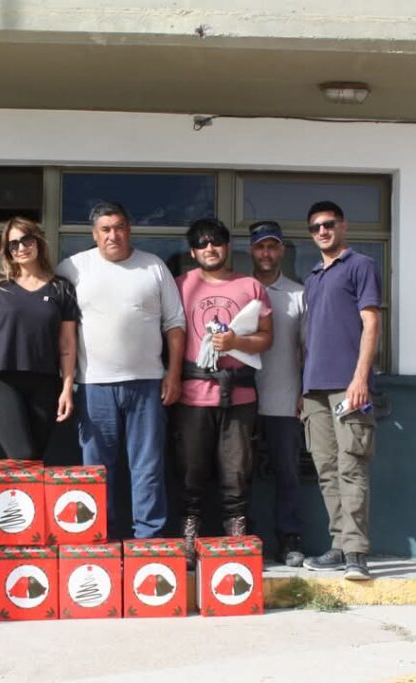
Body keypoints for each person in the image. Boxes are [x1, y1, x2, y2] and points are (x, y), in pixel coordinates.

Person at [55, 201, 185, 539]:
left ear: (129, 229)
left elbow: (175, 324)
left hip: (147, 384)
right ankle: (101, 538)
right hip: (94, 385)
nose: (113, 235)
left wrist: (173, 374)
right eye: (106, 229)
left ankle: (149, 538)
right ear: (94, 234)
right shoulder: (73, 267)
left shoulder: (153, 266)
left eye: (119, 227)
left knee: (148, 467)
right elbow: (55, 322)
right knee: (97, 470)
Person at [172, 217, 272, 566]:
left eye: (216, 241)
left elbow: (266, 338)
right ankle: (188, 540)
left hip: (240, 395)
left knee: (237, 473)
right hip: (192, 394)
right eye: (201, 243)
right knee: (190, 471)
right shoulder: (180, 285)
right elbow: (169, 335)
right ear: (192, 251)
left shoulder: (250, 286)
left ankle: (236, 542)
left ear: (228, 246)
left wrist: (235, 342)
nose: (210, 248)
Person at [300, 200, 381, 581]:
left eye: (329, 224)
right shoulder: (313, 277)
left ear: (343, 226)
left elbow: (371, 323)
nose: (322, 231)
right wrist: (302, 388)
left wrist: (360, 378)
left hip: (349, 387)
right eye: (315, 227)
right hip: (314, 389)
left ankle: (356, 552)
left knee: (351, 467)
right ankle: (338, 544)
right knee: (327, 471)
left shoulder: (360, 265)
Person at [0, 217, 78, 460]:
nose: (21, 248)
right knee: (23, 454)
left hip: (45, 382)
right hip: (2, 379)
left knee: (35, 457)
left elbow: (68, 344)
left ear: (38, 241)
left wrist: (67, 388)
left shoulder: (61, 288)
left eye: (26, 240)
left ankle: (16, 489)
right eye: (13, 244)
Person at [249, 220, 306, 567]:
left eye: (272, 246)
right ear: (251, 251)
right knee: (238, 475)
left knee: (287, 473)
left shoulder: (298, 294)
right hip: (240, 399)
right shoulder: (240, 290)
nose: (266, 253)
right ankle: (243, 541)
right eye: (260, 247)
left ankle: (289, 540)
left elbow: (308, 349)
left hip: (285, 399)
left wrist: (305, 391)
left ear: (282, 250)